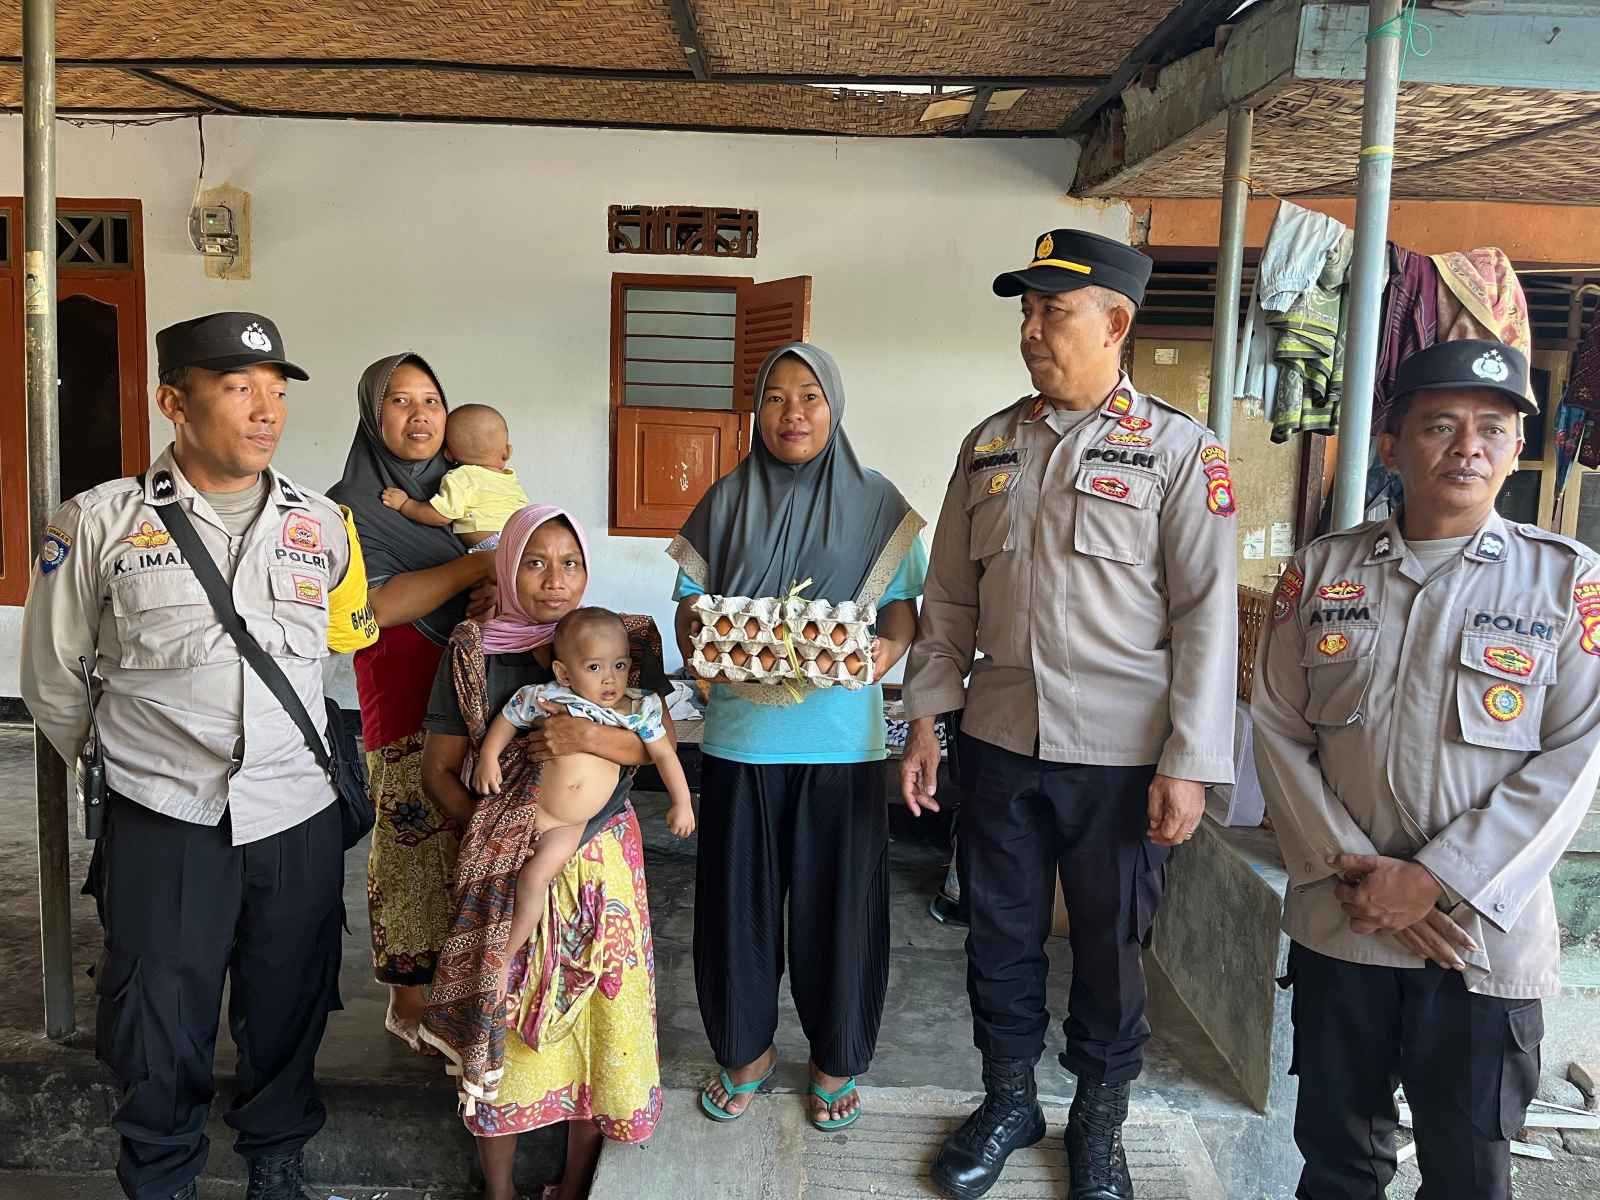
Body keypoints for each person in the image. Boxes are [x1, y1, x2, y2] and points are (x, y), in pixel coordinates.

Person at [899, 229, 1238, 1200]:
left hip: (1122, 757)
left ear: (1115, 323)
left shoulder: (1181, 451)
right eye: (1026, 311)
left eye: (1053, 311)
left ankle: (1098, 1122)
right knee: (996, 935)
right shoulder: (989, 446)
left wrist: (1190, 760)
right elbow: (948, 600)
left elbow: (1206, 618)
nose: (1031, 330)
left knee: (1110, 948)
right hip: (1000, 741)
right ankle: (1009, 1099)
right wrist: (925, 718)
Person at [21, 312, 367, 1200]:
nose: (266, 411)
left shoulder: (322, 525)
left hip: (295, 811)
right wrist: (133, 770)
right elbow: (53, 680)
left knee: (290, 1000)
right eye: (239, 388)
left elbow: (331, 654)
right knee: (155, 1016)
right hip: (166, 817)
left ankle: (276, 1163)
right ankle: (161, 1175)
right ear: (173, 402)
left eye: (276, 391)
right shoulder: (98, 524)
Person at [1252, 339, 1600, 1200]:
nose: (1468, 447)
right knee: (1336, 1162)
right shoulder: (1322, 572)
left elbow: (1576, 753)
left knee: (1468, 1172)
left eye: (1492, 429)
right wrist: (1363, 879)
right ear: (1390, 444)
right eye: (1440, 425)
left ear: (1516, 449)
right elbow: (1279, 727)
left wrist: (1434, 881)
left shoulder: (1567, 583)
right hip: (1345, 926)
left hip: (1478, 940)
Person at [668, 342, 927, 1132]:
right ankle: (744, 1051)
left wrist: (885, 652)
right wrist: (702, 643)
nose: (793, 414)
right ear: (757, 411)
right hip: (742, 739)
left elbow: (904, 609)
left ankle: (834, 1058)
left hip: (841, 744)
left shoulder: (878, 503)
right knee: (736, 907)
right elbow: (689, 602)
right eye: (775, 398)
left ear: (834, 406)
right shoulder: (725, 499)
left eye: (809, 396)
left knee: (840, 910)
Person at [420, 505, 666, 1200]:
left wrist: (587, 738)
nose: (555, 579)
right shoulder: (474, 651)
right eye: (534, 561)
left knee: (595, 1023)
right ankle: (498, 1191)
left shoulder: (620, 640)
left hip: (603, 865)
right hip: (507, 871)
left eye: (570, 563)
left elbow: (655, 743)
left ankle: (575, 1182)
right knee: (504, 1015)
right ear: (506, 567)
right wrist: (500, 838)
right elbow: (437, 772)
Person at [328, 353, 497, 1051]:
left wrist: (496, 589)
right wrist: (474, 567)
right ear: (374, 417)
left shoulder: (469, 489)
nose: (420, 414)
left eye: (431, 399)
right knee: (408, 838)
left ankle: (463, 981)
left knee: (469, 833)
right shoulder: (348, 508)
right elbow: (375, 607)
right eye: (400, 401)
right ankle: (406, 996)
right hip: (402, 685)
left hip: (477, 687)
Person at [473, 605, 695, 993]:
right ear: (564, 672)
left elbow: (665, 755)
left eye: (619, 666)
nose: (610, 678)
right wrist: (489, 757)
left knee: (535, 877)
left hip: (571, 826)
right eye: (594, 668)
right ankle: (493, 956)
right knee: (501, 878)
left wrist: (682, 802)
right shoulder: (547, 696)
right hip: (532, 811)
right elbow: (508, 718)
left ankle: (505, 955)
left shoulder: (638, 710)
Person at [381, 402, 530, 550]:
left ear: (448, 455)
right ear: (507, 452)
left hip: (492, 544)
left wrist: (405, 505)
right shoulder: (510, 478)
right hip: (524, 540)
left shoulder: (462, 477)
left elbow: (441, 515)